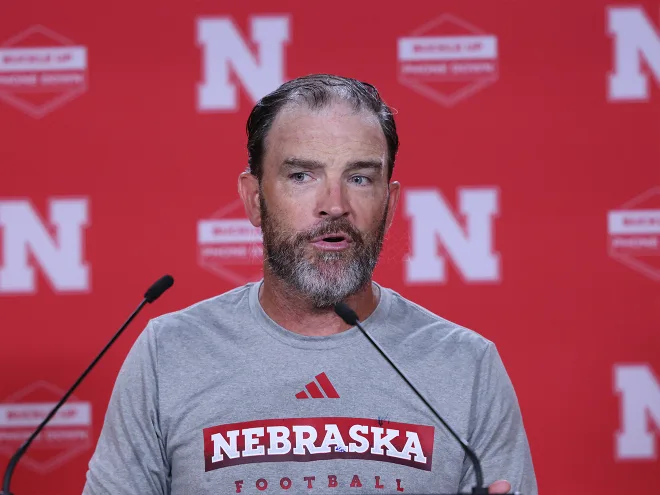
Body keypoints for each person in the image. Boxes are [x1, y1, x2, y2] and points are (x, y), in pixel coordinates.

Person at [82, 74, 537, 494]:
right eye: (302, 176)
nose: (334, 205)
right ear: (254, 199)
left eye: (359, 178)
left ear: (390, 203)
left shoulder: (466, 365)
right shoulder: (169, 354)